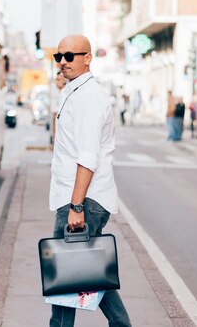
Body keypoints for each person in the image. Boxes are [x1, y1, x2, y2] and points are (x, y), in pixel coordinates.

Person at [49, 35, 131, 327]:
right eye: (58, 56)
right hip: (79, 197)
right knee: (87, 271)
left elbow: (88, 156)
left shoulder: (89, 97)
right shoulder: (76, 91)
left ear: (88, 57)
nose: (62, 62)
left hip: (84, 200)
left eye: (70, 56)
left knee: (63, 283)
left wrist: (76, 206)